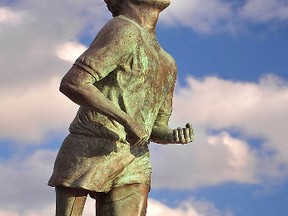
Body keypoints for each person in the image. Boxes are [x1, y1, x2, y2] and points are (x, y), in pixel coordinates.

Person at [48, 0, 194, 215]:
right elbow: (74, 83)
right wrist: (127, 120)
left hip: (134, 158)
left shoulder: (168, 63)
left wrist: (172, 135)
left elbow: (155, 127)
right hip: (90, 147)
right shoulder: (123, 29)